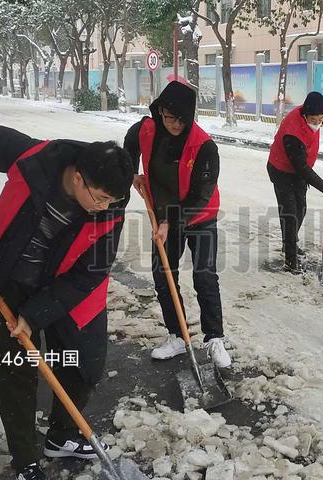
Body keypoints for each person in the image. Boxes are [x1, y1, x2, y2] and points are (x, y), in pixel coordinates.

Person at [0, 123, 134, 480]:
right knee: (15, 369)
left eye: (111, 202)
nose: (104, 208)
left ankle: (64, 436)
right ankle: (25, 460)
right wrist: (21, 315)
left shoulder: (111, 207)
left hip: (66, 284)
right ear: (78, 179)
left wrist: (36, 314)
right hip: (8, 277)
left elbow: (90, 273)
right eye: (99, 198)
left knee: (84, 361)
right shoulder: (36, 160)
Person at [124, 81, 231, 368]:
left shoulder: (205, 147)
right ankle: (178, 336)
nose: (174, 124)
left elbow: (201, 194)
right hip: (162, 213)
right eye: (168, 117)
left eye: (181, 119)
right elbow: (130, 142)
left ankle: (214, 339)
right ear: (159, 111)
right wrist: (132, 171)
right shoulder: (147, 129)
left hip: (199, 215)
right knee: (164, 277)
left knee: (204, 276)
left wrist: (172, 222)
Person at [267, 92, 323, 274]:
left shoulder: (317, 114)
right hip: (281, 170)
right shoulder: (292, 132)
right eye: (314, 120)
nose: (317, 123)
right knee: (290, 212)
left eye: (320, 119)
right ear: (305, 115)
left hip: (298, 171)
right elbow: (302, 168)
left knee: (300, 209)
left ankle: (289, 241)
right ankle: (290, 258)